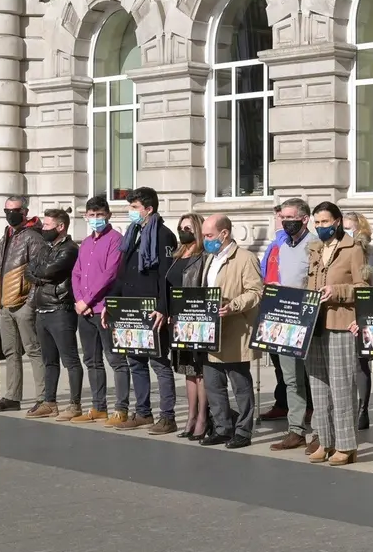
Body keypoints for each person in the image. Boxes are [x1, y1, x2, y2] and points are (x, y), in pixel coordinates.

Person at [106, 187, 179, 433]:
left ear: (149, 209)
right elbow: (121, 273)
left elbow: (166, 276)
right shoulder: (133, 233)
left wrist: (163, 307)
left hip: (151, 310)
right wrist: (111, 303)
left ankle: (167, 416)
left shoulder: (163, 235)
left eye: (134, 208)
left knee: (159, 363)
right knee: (135, 361)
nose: (130, 212)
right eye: (130, 207)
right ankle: (143, 413)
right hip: (130, 308)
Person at [304, 201, 369, 465]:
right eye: (316, 222)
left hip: (340, 322)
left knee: (342, 386)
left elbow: (364, 286)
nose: (320, 226)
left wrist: (339, 291)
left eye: (325, 222)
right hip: (314, 324)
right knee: (318, 386)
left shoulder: (354, 249)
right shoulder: (315, 249)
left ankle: (346, 445)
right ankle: (325, 441)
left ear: (337, 221)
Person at [197, 215, 264, 449]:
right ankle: (223, 428)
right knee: (213, 383)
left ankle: (244, 430)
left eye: (209, 236)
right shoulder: (210, 258)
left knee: (240, 384)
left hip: (236, 330)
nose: (205, 240)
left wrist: (233, 305)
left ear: (224, 234)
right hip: (211, 331)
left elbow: (256, 292)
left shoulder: (245, 258)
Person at [265, 198, 318, 452]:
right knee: (291, 379)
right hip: (286, 320)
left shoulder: (316, 245)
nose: (285, 222)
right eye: (283, 218)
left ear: (304, 219)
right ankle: (296, 430)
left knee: (315, 377)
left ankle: (319, 430)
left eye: (290, 217)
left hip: (309, 319)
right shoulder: (283, 246)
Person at [70, 196, 127, 424]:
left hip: (104, 308)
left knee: (116, 360)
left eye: (100, 215)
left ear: (109, 215)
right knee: (92, 360)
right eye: (91, 215)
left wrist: (89, 299)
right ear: (85, 216)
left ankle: (121, 408)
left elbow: (109, 274)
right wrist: (79, 299)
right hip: (84, 310)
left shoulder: (116, 240)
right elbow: (77, 273)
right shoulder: (84, 243)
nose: (95, 219)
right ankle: (98, 406)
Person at [26, 209, 83, 419]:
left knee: (70, 360)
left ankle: (75, 405)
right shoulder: (45, 248)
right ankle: (49, 402)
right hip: (42, 308)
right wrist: (40, 276)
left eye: (48, 225)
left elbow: (49, 271)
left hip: (61, 309)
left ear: (61, 227)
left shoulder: (69, 249)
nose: (43, 229)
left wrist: (39, 275)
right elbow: (29, 269)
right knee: (49, 360)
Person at [0, 194, 47, 412]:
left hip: (24, 303)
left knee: (33, 350)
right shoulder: (7, 234)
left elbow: (39, 272)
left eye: (14, 210)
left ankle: (44, 397)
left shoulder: (33, 237)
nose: (10, 215)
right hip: (5, 302)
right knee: (10, 351)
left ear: (24, 212)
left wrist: (31, 303)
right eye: (7, 211)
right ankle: (12, 396)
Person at [166, 213, 210, 440]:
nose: (184, 231)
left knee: (200, 370)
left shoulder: (205, 256)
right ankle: (191, 415)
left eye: (189, 228)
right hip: (176, 319)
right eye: (181, 227)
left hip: (196, 319)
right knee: (187, 371)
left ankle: (203, 417)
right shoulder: (177, 255)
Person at [345, 210, 373, 430]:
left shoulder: (368, 251)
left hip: (359, 313)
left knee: (360, 363)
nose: (347, 230)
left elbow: (369, 283)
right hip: (339, 313)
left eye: (350, 227)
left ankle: (362, 409)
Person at [261, 205, 291, 422]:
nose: (277, 220)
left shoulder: (290, 242)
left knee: (291, 363)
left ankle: (304, 406)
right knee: (277, 361)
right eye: (277, 216)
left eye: (281, 217)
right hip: (269, 305)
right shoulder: (274, 243)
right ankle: (282, 402)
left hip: (286, 306)